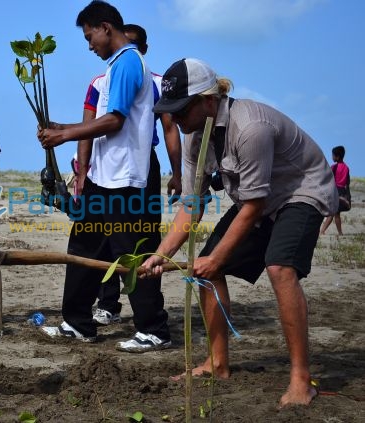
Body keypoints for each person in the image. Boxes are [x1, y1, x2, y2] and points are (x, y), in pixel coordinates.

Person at [141, 58, 337, 407]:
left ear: (209, 101)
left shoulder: (250, 127)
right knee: (205, 271)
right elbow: (191, 206)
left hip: (300, 191)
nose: (177, 119)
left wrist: (217, 257)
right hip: (258, 199)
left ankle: (301, 379)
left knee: (279, 268)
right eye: (171, 111)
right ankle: (217, 364)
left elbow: (253, 206)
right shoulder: (194, 138)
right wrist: (161, 254)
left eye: (182, 109)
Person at [38, 1, 171, 352]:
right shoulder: (113, 68)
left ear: (105, 28)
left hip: (126, 179)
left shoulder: (128, 62)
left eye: (89, 36)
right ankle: (78, 323)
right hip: (103, 177)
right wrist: (65, 127)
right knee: (83, 246)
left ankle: (154, 329)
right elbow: (100, 122)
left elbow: (115, 120)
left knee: (133, 253)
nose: (89, 44)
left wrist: (65, 135)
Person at [80, 23, 182, 326]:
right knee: (101, 238)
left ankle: (150, 312)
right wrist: (82, 172)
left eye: (135, 46)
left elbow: (169, 129)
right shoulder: (100, 82)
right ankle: (108, 302)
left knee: (143, 238)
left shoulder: (159, 82)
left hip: (142, 167)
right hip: (104, 168)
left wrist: (177, 174)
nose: (129, 51)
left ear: (144, 51)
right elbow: (87, 129)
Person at [320, 146, 349, 236]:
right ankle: (340, 233)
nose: (332, 157)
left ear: (337, 157)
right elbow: (347, 182)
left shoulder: (334, 167)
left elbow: (328, 179)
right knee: (337, 213)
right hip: (342, 191)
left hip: (335, 191)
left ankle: (322, 231)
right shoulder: (346, 168)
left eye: (333, 155)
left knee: (332, 213)